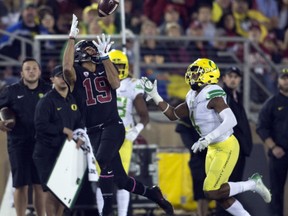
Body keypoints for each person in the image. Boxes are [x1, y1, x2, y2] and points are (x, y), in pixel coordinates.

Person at [62, 14, 173, 216]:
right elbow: (66, 68)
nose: (92, 51)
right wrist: (71, 38)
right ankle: (153, 194)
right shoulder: (75, 75)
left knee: (102, 159)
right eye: (88, 49)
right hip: (93, 131)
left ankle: (106, 212)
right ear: (80, 53)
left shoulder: (105, 69)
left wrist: (105, 58)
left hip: (113, 125)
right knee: (121, 180)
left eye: (93, 48)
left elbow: (116, 83)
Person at [141, 58, 271, 216]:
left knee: (210, 191)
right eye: (193, 73)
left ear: (208, 75)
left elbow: (231, 120)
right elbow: (173, 114)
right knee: (221, 196)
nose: (192, 76)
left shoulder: (212, 92)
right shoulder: (192, 95)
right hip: (212, 148)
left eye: (196, 74)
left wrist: (208, 138)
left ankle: (252, 184)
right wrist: (155, 96)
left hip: (226, 146)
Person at [96, 49, 149, 216]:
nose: (117, 69)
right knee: (102, 177)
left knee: (121, 179)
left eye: (120, 65)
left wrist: (137, 130)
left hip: (124, 133)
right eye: (114, 65)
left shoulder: (133, 83)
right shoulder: (98, 81)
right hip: (101, 132)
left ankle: (122, 214)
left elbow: (144, 115)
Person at [0, 57, 51, 216]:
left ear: (40, 71)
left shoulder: (49, 90)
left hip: (42, 144)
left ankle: (41, 215)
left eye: (34, 68)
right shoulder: (11, 91)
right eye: (27, 69)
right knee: (20, 184)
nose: (31, 71)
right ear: (21, 73)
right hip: (18, 143)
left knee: (39, 184)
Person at [33, 65, 85, 216]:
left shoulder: (73, 99)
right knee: (51, 191)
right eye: (59, 76)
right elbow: (40, 125)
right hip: (47, 152)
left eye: (66, 76)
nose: (63, 79)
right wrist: (62, 129)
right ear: (52, 80)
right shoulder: (46, 101)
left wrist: (80, 135)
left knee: (63, 193)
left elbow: (80, 122)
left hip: (66, 152)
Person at [215, 66, 253, 216]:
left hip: (239, 150)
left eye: (236, 76)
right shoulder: (223, 96)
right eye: (230, 76)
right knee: (224, 187)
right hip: (229, 150)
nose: (233, 79)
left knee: (233, 187)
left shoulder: (237, 96)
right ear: (223, 78)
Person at [256, 69, 288, 216]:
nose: (286, 81)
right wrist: (273, 147)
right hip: (279, 154)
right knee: (276, 191)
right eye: (284, 78)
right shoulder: (271, 103)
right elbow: (261, 127)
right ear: (278, 81)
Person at [175, 116, 209, 216]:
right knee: (199, 184)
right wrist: (193, 147)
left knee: (208, 186)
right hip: (197, 156)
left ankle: (204, 212)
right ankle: (200, 212)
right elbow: (182, 129)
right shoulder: (189, 112)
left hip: (210, 154)